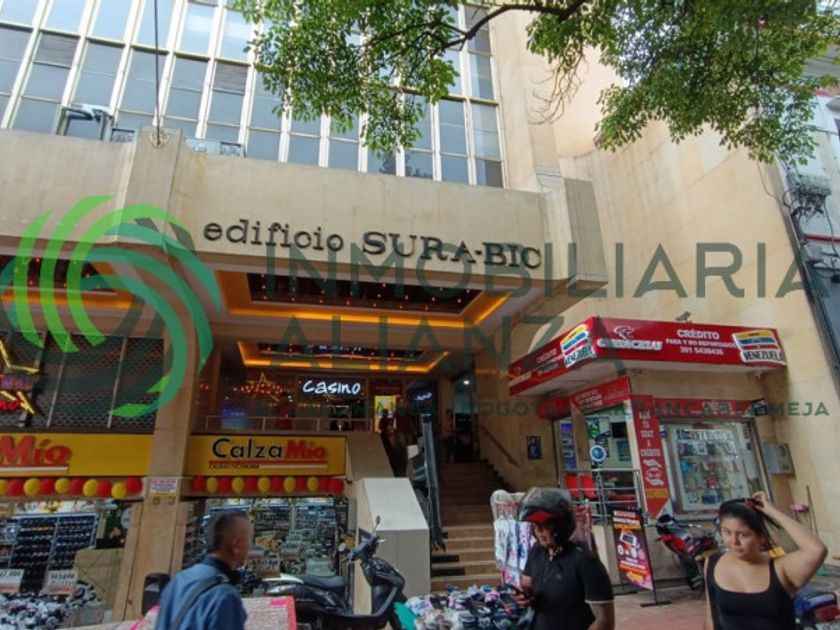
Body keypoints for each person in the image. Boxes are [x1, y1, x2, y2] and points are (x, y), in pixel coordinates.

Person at [704, 491, 827, 630]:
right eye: (726, 532)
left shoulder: (780, 569)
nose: (734, 541)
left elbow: (816, 550)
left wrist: (772, 511)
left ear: (761, 537)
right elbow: (711, 615)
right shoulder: (713, 563)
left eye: (743, 534)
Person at [515, 487, 615, 630]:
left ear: (561, 526)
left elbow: (604, 621)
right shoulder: (537, 552)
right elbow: (527, 584)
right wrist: (524, 597)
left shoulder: (585, 561)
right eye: (536, 526)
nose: (539, 532)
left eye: (545, 526)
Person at [156, 511, 253, 630]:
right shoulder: (225, 596)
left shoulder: (179, 580)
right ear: (237, 545)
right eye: (249, 539)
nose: (250, 546)